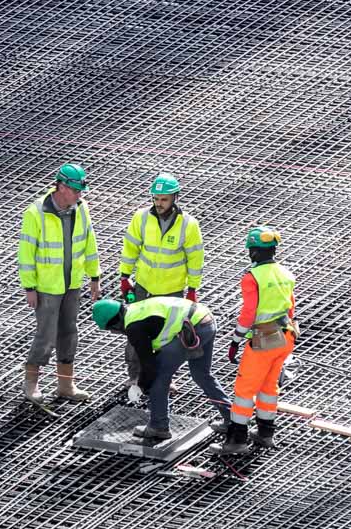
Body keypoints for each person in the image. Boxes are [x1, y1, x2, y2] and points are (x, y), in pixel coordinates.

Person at [91, 294, 231, 444]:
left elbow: (149, 365)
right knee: (201, 374)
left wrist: (142, 386)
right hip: (205, 320)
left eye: (111, 330)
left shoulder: (134, 327)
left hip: (191, 328)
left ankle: (159, 426)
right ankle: (232, 419)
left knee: (159, 377)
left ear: (114, 323)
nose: (114, 333)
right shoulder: (135, 310)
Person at [16, 162, 102, 406]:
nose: (79, 195)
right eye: (75, 190)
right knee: (46, 335)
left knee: (69, 333)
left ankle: (66, 385)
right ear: (61, 187)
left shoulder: (80, 209)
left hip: (71, 283)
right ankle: (31, 383)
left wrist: (94, 277)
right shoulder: (36, 213)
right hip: (47, 287)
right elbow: (26, 253)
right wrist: (29, 287)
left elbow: (89, 242)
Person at [117, 173, 205, 397]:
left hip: (172, 291)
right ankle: (135, 376)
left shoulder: (188, 225)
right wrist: (125, 277)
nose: (159, 203)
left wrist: (192, 289)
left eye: (164, 199)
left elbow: (195, 259)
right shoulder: (142, 218)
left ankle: (165, 378)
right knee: (135, 333)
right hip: (144, 287)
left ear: (175, 198)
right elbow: (131, 248)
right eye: (156, 198)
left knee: (168, 338)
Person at [224, 227, 297, 453]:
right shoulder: (285, 273)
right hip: (286, 334)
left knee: (245, 389)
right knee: (268, 386)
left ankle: (236, 439)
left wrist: (236, 340)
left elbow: (249, 313)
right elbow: (291, 307)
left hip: (264, 337)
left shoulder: (252, 277)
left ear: (253, 252)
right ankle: (265, 433)